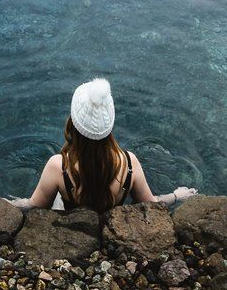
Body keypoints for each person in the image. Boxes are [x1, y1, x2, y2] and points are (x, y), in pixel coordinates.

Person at [23, 79, 196, 213]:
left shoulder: (58, 165)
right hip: (111, 222)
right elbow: (150, 204)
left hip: (72, 220)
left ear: (73, 123)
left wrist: (5, 203)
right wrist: (176, 196)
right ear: (110, 124)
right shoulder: (129, 163)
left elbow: (34, 206)